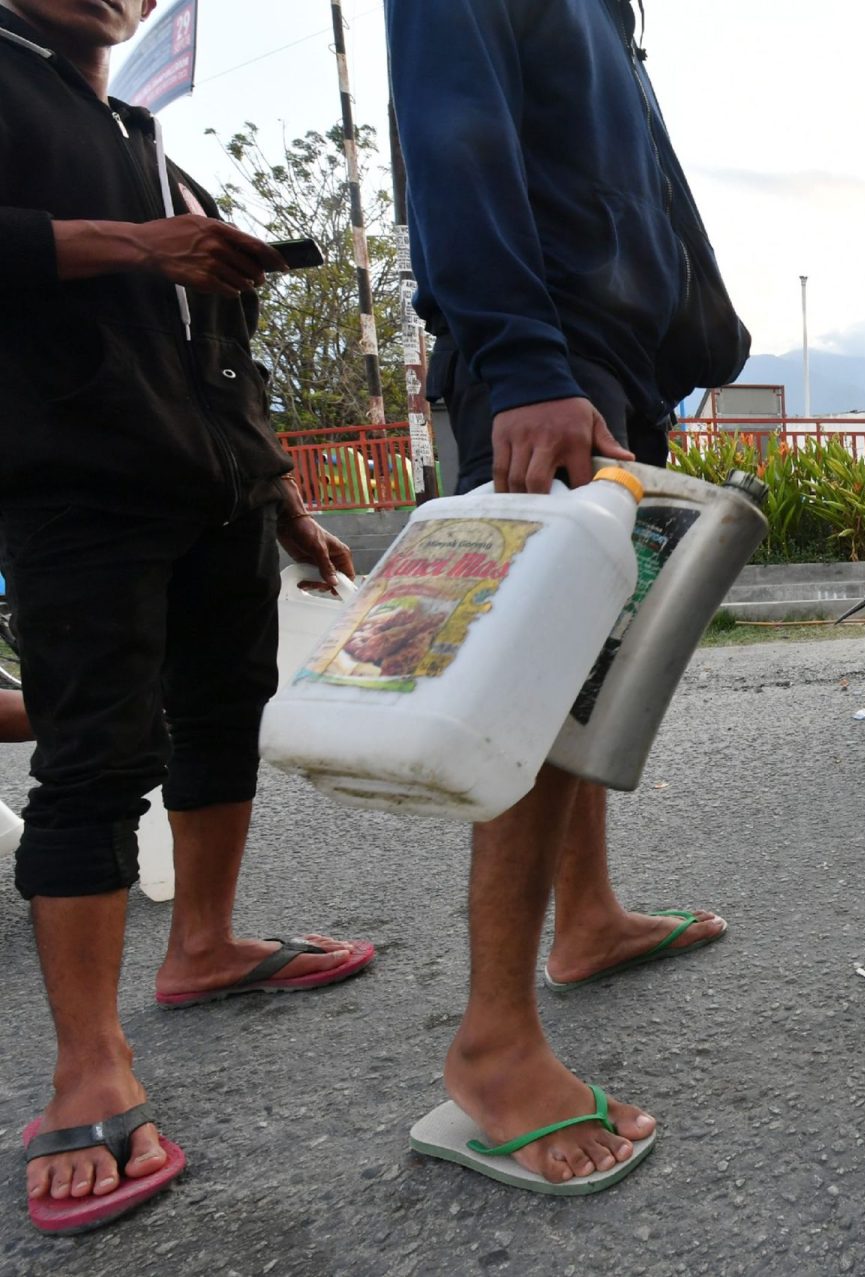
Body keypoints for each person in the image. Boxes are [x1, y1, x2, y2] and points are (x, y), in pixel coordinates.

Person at [0, 0, 375, 1234]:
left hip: (211, 487)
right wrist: (135, 244)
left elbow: (225, 356)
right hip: (75, 486)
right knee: (95, 757)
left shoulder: (143, 129)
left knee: (225, 716)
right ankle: (86, 1067)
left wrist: (280, 500)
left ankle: (203, 943)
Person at [386, 0, 748, 1191]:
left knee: (589, 660)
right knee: (536, 681)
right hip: (544, 349)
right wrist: (525, 357)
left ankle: (586, 916)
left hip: (606, 352)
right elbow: (453, 131)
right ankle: (491, 1045)